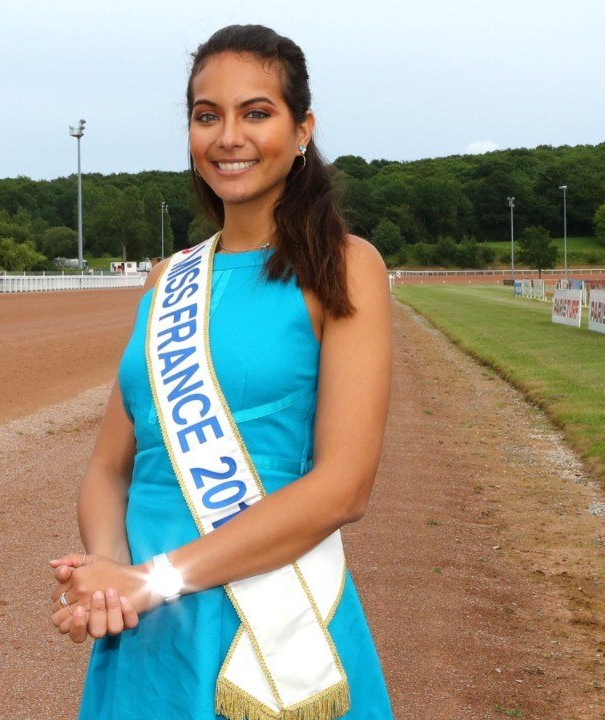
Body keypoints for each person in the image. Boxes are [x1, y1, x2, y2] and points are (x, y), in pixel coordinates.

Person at [47, 25, 394, 719]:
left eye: (256, 113)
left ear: (302, 130)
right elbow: (112, 468)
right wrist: (110, 577)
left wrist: (155, 579)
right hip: (146, 636)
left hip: (269, 635)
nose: (228, 136)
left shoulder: (345, 264)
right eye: (208, 116)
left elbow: (343, 487)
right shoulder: (165, 280)